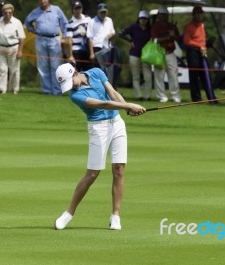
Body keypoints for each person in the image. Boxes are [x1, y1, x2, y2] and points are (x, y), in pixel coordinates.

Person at [53, 63, 146, 230]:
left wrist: (127, 108)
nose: (69, 87)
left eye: (69, 81)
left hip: (117, 123)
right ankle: (69, 213)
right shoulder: (75, 96)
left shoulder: (96, 72)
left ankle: (115, 215)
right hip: (98, 128)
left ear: (74, 72)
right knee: (92, 174)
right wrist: (129, 106)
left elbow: (112, 93)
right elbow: (102, 104)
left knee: (119, 169)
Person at [24, 0, 68, 95]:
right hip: (40, 39)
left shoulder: (56, 10)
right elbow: (27, 22)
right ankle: (47, 90)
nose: (42, 1)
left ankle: (57, 91)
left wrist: (64, 37)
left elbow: (65, 23)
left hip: (55, 39)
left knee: (55, 65)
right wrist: (33, 30)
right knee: (43, 66)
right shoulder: (35, 12)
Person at [183, 6, 217, 102]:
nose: (200, 15)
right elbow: (187, 41)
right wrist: (199, 46)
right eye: (198, 13)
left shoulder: (202, 25)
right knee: (194, 75)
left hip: (202, 52)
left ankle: (211, 97)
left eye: (201, 13)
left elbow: (202, 39)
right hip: (193, 52)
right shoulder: (189, 26)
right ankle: (196, 98)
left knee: (206, 75)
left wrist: (205, 45)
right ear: (194, 15)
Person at [119, 10, 152, 101]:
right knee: (136, 76)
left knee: (148, 76)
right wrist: (130, 41)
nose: (143, 20)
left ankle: (148, 96)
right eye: (141, 18)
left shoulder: (150, 28)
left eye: (145, 18)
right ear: (139, 18)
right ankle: (138, 95)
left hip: (146, 55)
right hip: (134, 54)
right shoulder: (134, 27)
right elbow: (121, 34)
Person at [151, 6, 181, 103]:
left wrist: (173, 35)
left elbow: (178, 38)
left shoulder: (172, 26)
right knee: (159, 75)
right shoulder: (155, 26)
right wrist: (169, 36)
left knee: (173, 74)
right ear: (159, 15)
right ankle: (161, 96)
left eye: (165, 15)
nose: (164, 17)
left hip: (170, 53)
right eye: (162, 15)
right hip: (159, 53)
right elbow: (155, 40)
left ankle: (175, 95)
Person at [87, 3, 115, 71]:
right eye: (101, 12)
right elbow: (90, 38)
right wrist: (91, 53)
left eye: (104, 12)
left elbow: (113, 32)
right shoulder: (92, 21)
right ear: (97, 12)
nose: (103, 14)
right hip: (97, 49)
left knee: (108, 69)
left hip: (107, 48)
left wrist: (109, 35)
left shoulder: (109, 20)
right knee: (98, 70)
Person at [66, 0, 91, 72]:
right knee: (76, 73)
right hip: (76, 50)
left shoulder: (88, 19)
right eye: (76, 8)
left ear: (82, 8)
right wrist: (70, 55)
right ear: (73, 10)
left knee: (88, 73)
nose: (78, 10)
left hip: (87, 50)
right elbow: (69, 40)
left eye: (79, 8)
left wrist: (86, 34)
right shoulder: (70, 23)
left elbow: (92, 34)